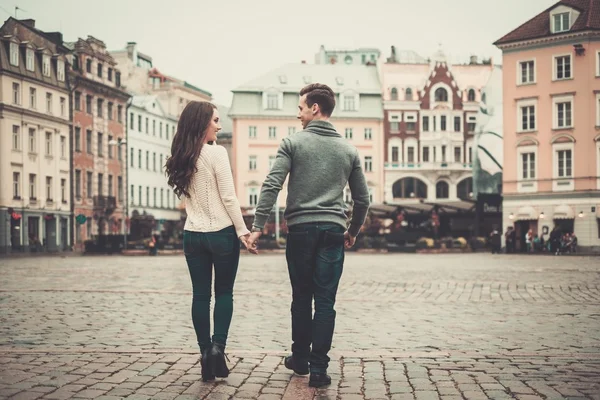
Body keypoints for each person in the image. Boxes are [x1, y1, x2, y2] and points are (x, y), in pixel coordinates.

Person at [246, 83, 370, 388]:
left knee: (301, 297)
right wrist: (352, 231)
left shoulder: (292, 143)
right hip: (332, 230)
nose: (298, 114)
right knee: (325, 300)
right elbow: (363, 199)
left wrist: (258, 226)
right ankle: (318, 369)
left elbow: (272, 184)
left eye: (301, 107)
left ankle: (299, 358)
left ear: (315, 108)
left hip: (301, 230)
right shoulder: (349, 150)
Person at [165, 101, 251, 382]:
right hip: (222, 233)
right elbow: (228, 197)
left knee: (200, 295)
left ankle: (205, 354)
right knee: (224, 292)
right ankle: (218, 348)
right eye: (215, 120)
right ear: (202, 123)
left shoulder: (181, 155)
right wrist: (243, 231)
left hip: (192, 235)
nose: (219, 124)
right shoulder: (217, 153)